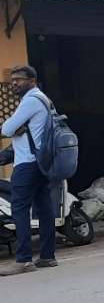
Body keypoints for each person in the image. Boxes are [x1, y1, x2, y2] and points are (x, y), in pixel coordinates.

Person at [0, 65, 56, 274]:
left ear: (32, 81)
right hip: (41, 162)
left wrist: (14, 129)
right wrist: (16, 129)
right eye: (13, 79)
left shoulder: (31, 100)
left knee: (19, 209)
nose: (14, 83)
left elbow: (6, 129)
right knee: (45, 209)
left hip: (27, 163)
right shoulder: (44, 99)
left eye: (19, 79)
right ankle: (48, 256)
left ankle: (23, 260)